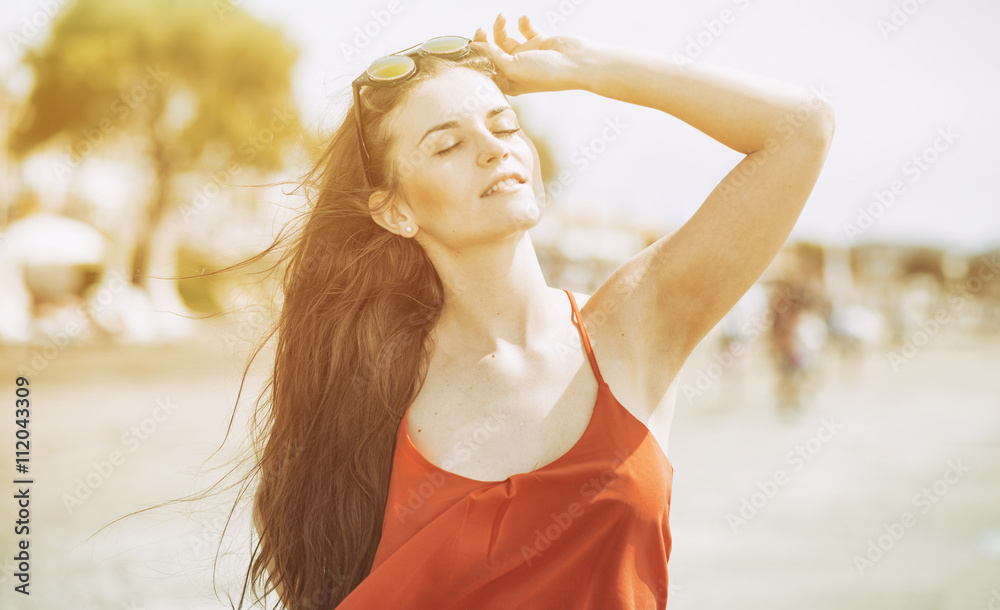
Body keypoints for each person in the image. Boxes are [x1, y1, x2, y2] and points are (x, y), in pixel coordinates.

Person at [245, 12, 834, 609]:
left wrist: (587, 67)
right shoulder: (373, 387)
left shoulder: (634, 326)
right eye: (448, 144)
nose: (492, 150)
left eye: (504, 125)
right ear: (395, 211)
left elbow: (802, 128)